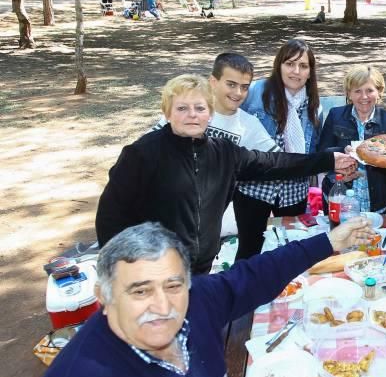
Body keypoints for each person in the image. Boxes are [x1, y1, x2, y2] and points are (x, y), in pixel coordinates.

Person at [21, 219, 375, 377]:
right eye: (140, 291)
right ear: (104, 297)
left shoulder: (196, 301)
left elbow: (252, 277)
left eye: (173, 285)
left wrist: (327, 242)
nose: (162, 306)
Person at [96, 74, 355, 274]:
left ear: (210, 112)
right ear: (167, 112)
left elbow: (274, 162)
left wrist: (328, 160)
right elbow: (111, 216)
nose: (192, 115)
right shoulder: (142, 153)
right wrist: (120, 268)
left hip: (201, 267)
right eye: (182, 108)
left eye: (199, 108)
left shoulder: (222, 153)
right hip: (154, 267)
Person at [235, 39, 326, 260]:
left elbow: (312, 150)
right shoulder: (257, 92)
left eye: (303, 66)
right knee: (250, 249)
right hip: (254, 189)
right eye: (290, 64)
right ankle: (245, 293)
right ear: (279, 65)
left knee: (290, 248)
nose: (296, 71)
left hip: (293, 190)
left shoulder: (314, 105)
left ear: (310, 71)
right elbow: (232, 122)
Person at [318, 65, 386, 213]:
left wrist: (381, 158)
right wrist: (341, 165)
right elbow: (322, 154)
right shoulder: (335, 115)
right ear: (349, 94)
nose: (364, 97)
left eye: (370, 90)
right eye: (357, 91)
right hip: (340, 199)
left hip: (378, 203)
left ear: (379, 92)